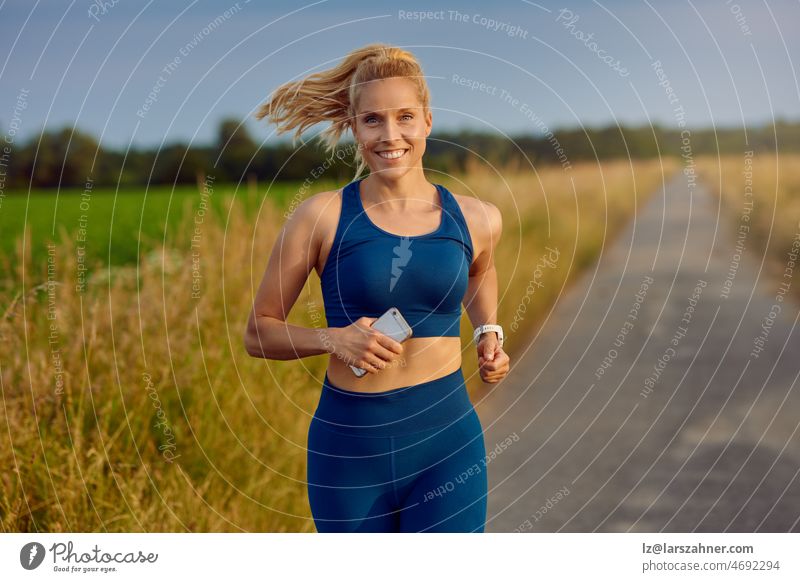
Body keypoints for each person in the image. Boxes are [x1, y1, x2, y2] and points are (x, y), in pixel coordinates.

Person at [244, 43, 510, 532]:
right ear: (353, 126)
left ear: (428, 121)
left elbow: (479, 270)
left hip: (447, 444)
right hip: (349, 452)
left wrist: (487, 331)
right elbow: (257, 334)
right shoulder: (320, 217)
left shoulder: (477, 218)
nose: (391, 135)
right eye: (373, 120)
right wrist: (333, 338)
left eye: (405, 117)